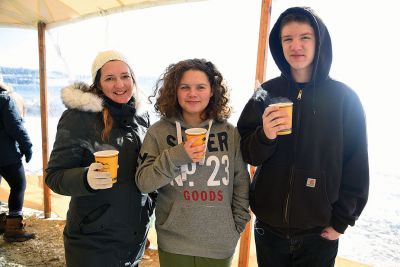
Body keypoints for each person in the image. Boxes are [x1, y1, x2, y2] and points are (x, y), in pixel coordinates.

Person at [237, 6, 369, 267]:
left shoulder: (345, 99)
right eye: (288, 39)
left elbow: (357, 165)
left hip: (319, 231)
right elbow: (245, 152)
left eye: (305, 37)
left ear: (319, 42)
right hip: (268, 227)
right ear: (280, 44)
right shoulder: (265, 92)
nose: (296, 45)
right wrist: (265, 135)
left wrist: (341, 222)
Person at [135, 58, 250, 267]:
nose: (193, 94)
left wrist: (237, 225)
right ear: (174, 91)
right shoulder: (158, 132)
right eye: (185, 87)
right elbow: (144, 182)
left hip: (219, 243)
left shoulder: (229, 132)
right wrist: (179, 154)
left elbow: (241, 181)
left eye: (200, 87)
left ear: (212, 91)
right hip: (174, 242)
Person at [45, 50, 155, 267]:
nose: (120, 84)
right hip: (93, 240)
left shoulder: (142, 117)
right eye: (110, 78)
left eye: (125, 76)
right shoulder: (80, 117)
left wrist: (151, 204)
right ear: (98, 84)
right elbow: (54, 176)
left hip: (134, 236)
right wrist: (85, 178)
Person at [0, 81, 35, 242]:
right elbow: (16, 127)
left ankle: (2, 223)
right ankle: (14, 229)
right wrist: (27, 146)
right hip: (6, 155)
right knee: (18, 185)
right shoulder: (4, 100)